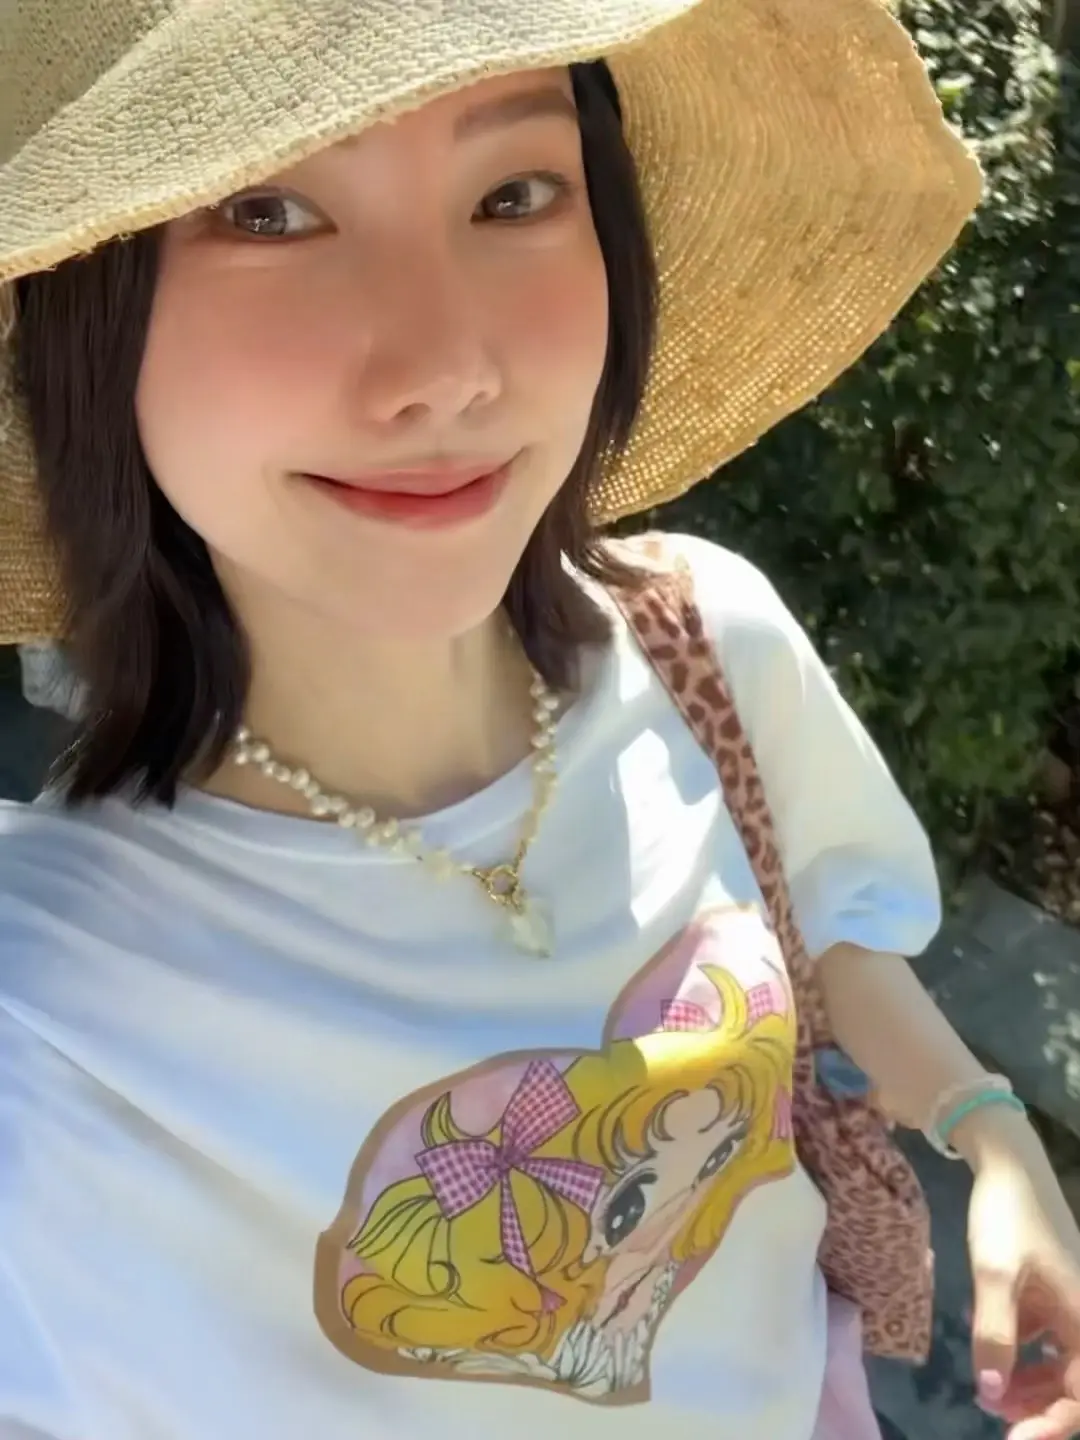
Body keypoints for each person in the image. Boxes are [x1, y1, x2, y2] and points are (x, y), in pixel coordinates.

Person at [0, 2, 1076, 1439]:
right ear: (77, 310)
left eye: (514, 193)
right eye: (266, 213)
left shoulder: (701, 643)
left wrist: (990, 1135)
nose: (448, 367)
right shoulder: (48, 1013)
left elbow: (818, 929)